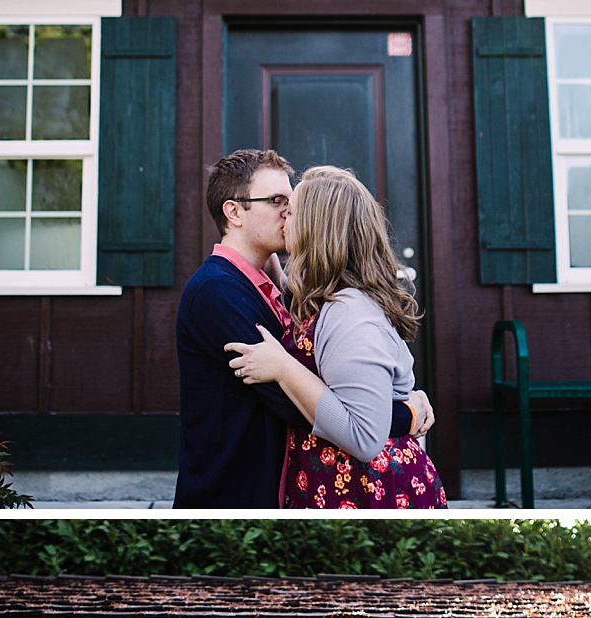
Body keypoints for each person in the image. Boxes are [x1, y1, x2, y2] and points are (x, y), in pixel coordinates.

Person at [174, 150, 428, 509]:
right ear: (234, 212)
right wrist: (406, 413)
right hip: (232, 493)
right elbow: (288, 399)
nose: (289, 212)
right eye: (277, 201)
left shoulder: (275, 285)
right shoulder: (216, 292)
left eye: (291, 202)